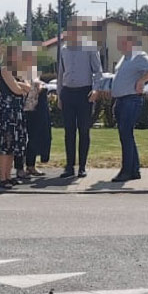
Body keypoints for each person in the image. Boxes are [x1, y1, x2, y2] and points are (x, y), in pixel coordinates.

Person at [106, 34, 148, 182]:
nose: (119, 45)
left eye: (122, 42)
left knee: (126, 135)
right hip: (122, 100)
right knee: (127, 135)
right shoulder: (125, 58)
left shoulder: (139, 56)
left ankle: (126, 171)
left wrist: (142, 81)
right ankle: (134, 170)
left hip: (131, 100)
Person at [55, 17, 103, 177]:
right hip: (68, 93)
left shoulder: (90, 47)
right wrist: (59, 94)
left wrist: (96, 90)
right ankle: (69, 166)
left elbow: (98, 71)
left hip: (85, 93)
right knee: (69, 131)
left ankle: (82, 166)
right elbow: (61, 74)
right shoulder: (63, 49)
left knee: (84, 130)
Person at [0, 46, 30, 189]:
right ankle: (2, 177)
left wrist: (20, 84)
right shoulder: (5, 70)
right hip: (6, 114)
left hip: (16, 113)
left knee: (13, 146)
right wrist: (20, 85)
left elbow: (27, 87)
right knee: (5, 145)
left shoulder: (17, 73)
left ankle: (9, 176)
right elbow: (17, 90)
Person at [14, 46, 52, 179]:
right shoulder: (18, 71)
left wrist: (39, 86)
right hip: (25, 108)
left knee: (36, 138)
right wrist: (35, 86)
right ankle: (19, 168)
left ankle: (31, 166)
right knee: (22, 139)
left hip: (37, 108)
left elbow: (36, 83)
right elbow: (21, 85)